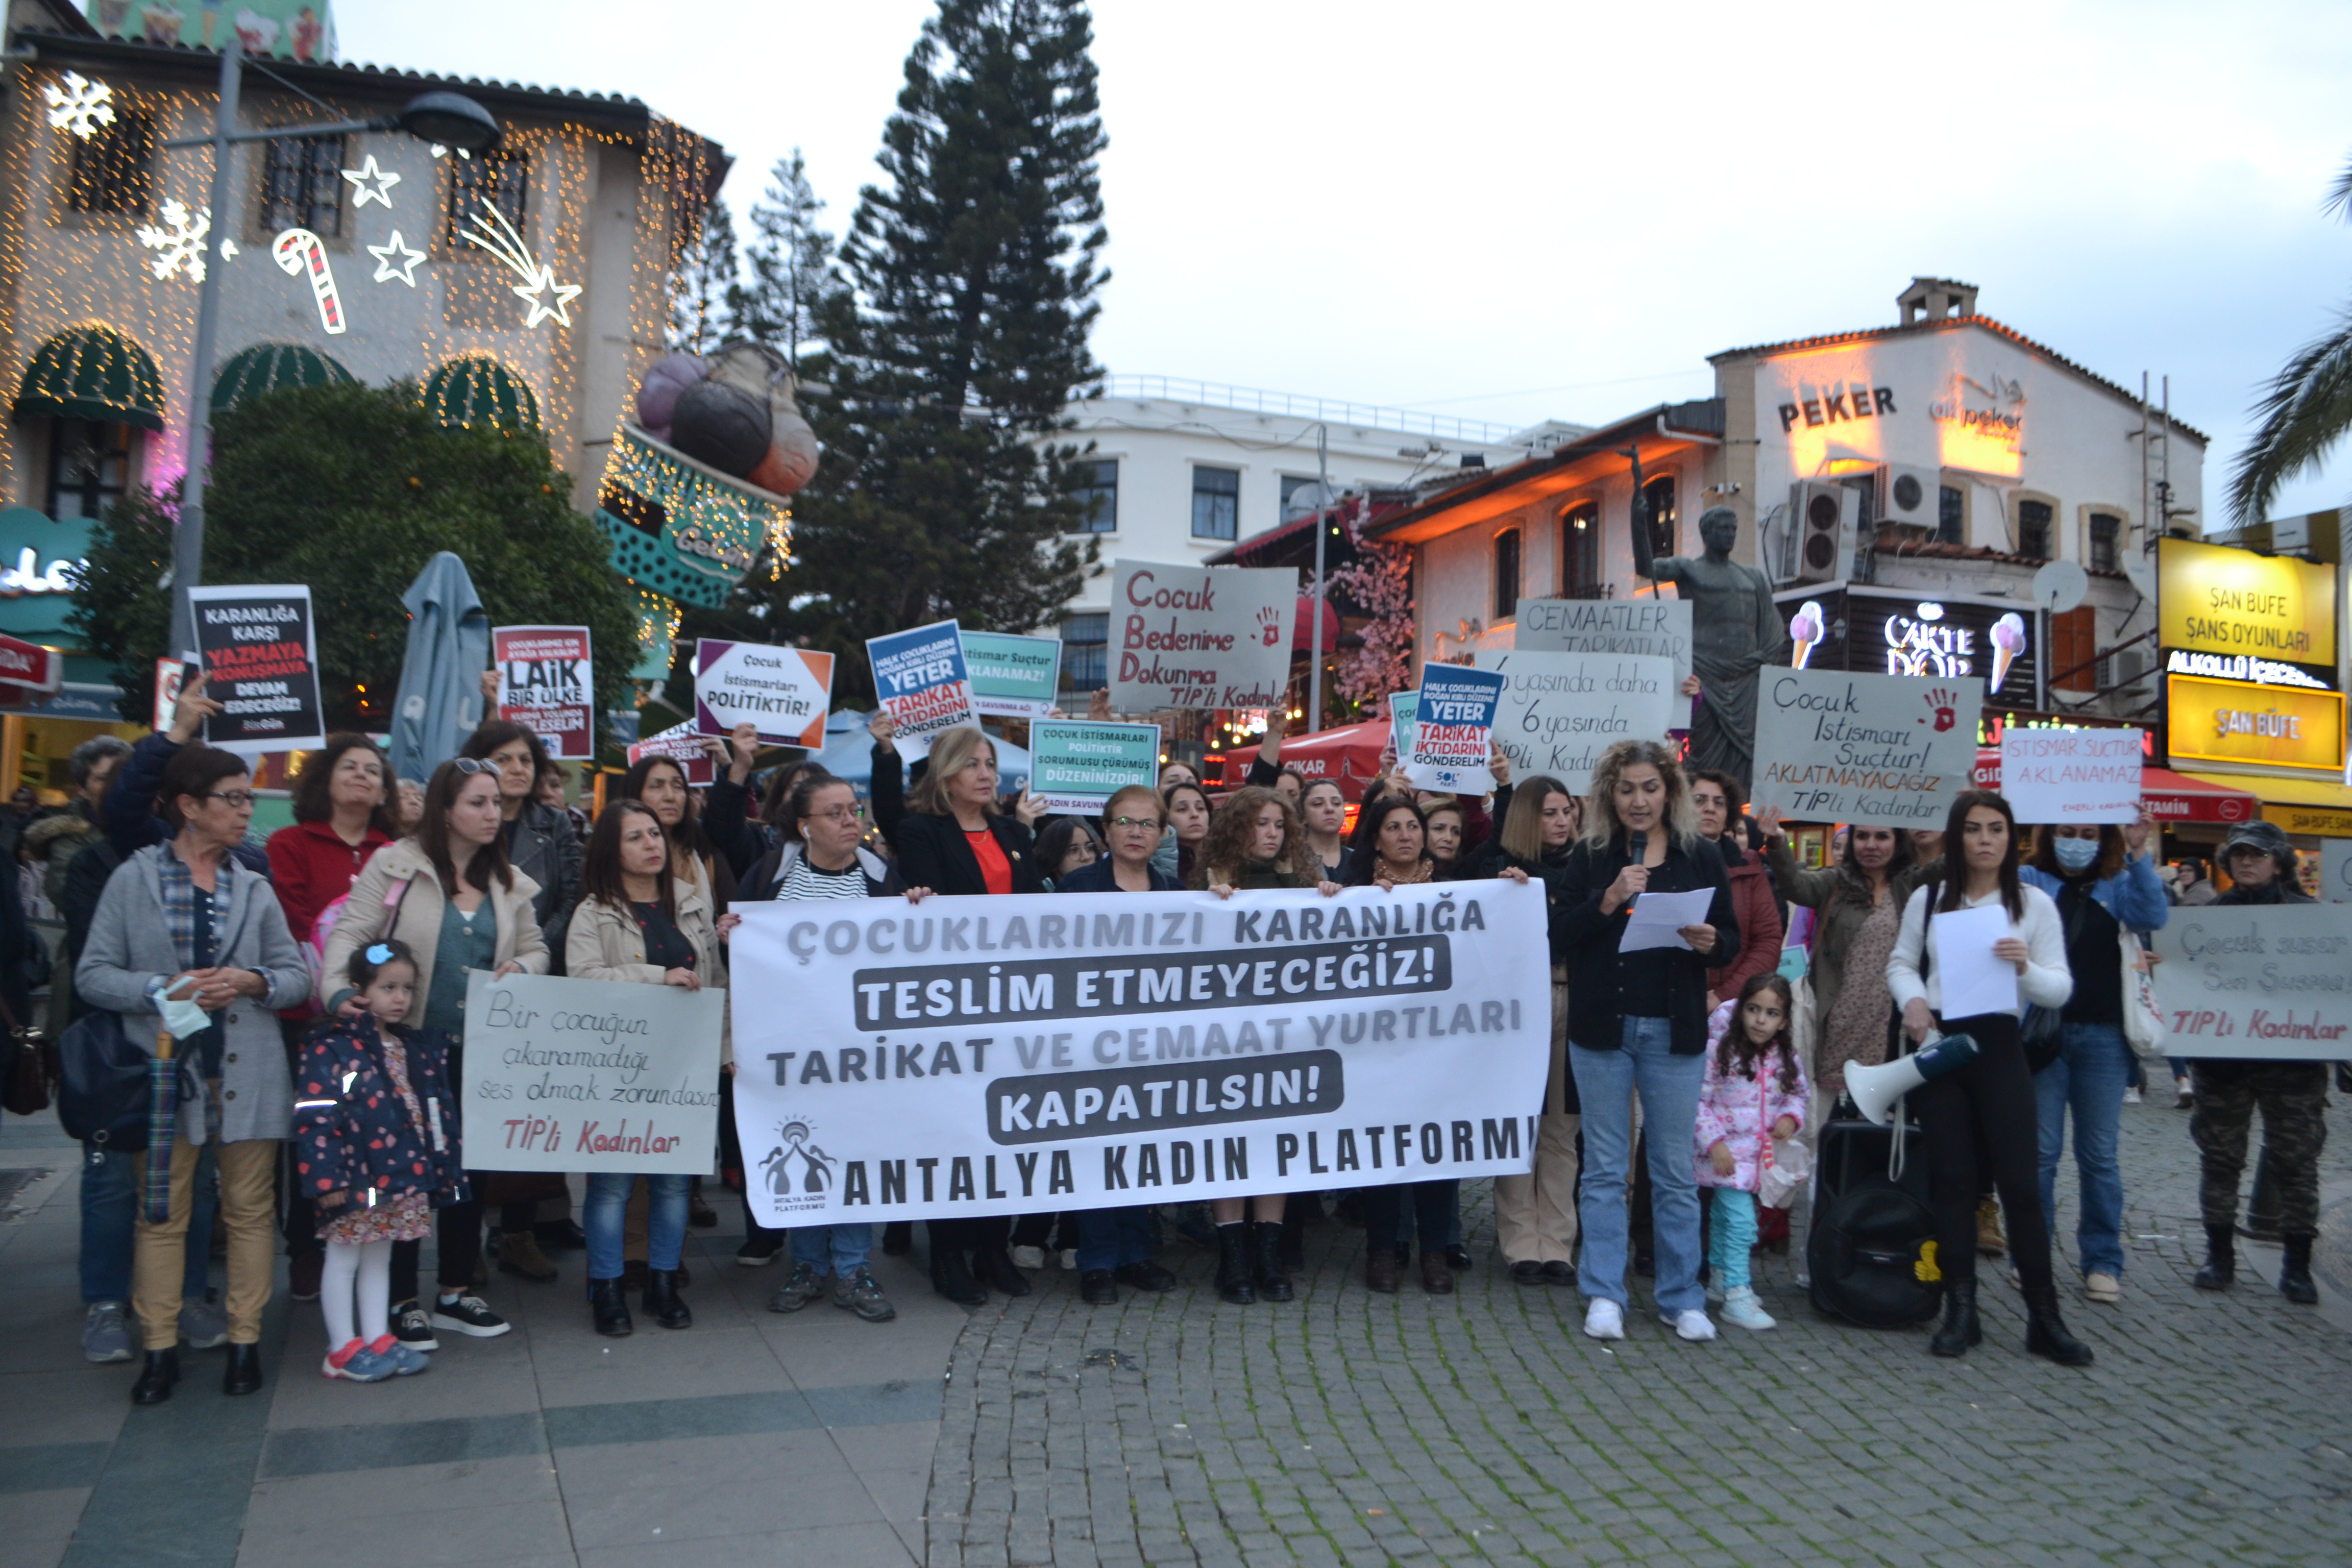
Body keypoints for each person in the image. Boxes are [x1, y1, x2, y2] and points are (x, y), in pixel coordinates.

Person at [78, 743, 312, 1405]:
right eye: (233, 799)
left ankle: (244, 1342)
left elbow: (297, 977)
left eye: (247, 798)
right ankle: (159, 1349)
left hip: (248, 1071)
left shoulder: (253, 884)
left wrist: (252, 981)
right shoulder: (134, 879)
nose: (247, 811)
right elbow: (93, 975)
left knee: (249, 1211)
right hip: (164, 1076)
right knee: (162, 1214)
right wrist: (164, 987)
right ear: (188, 806)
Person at [321, 757, 549, 1353]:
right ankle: (399, 1300)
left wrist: (523, 965)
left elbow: (537, 947)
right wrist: (348, 990)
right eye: (478, 802)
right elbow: (351, 936)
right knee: (402, 1171)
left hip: (480, 1051)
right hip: (406, 1048)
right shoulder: (396, 865)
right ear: (446, 809)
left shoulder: (507, 881)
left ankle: (453, 1289)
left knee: (465, 1172)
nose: (492, 813)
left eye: (496, 803)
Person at [1887, 789, 2092, 1365]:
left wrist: (2025, 966)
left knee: (2020, 1186)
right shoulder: (1929, 900)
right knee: (1952, 1183)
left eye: (1996, 829)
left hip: (2001, 1046)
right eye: (1974, 829)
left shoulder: (2033, 905)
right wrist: (1915, 1001)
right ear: (1958, 838)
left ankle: (2045, 1318)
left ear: (2011, 837)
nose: (1984, 839)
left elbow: (2060, 988)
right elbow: (1901, 964)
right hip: (1943, 1046)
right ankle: (1961, 1311)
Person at [1556, 739, 1737, 1343]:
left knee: (1672, 1172)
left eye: (1650, 788)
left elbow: (1732, 939)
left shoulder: (1701, 856)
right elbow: (1560, 936)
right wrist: (1608, 901)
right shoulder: (1591, 855)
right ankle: (1604, 1292)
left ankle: (1682, 1296)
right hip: (1603, 1028)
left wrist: (1713, 943)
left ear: (1670, 792)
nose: (1639, 800)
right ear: (1610, 793)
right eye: (1627, 789)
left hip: (1672, 1028)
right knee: (1605, 1170)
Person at [870, 722, 1046, 1304]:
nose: (987, 773)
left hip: (1012, 1003)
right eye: (973, 763)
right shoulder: (922, 831)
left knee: (1006, 1128)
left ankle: (993, 1248)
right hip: (954, 1005)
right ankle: (947, 1254)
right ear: (946, 774)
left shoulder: (1012, 833)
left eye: (990, 763)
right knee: (951, 1130)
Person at [736, 772, 920, 1316]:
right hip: (790, 1048)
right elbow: (742, 952)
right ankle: (808, 1264)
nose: (850, 821)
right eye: (835, 813)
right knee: (803, 1155)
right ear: (803, 826)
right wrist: (731, 934)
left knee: (853, 1152)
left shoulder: (882, 877)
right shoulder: (771, 875)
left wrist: (918, 913)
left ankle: (853, 1267)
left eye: (854, 809)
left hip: (860, 1050)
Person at [566, 800, 726, 1334]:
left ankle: (662, 1284)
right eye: (635, 837)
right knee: (612, 1186)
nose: (651, 844)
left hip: (684, 1066)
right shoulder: (595, 911)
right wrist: (657, 978)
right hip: (617, 1071)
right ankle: (607, 1288)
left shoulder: (692, 904)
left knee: (674, 1184)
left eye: (654, 833)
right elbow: (584, 980)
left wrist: (724, 1052)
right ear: (612, 849)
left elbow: (718, 986)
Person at [1193, 785, 1342, 1303]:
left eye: (1280, 825)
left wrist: (1326, 899)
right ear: (1239, 828)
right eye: (1261, 824)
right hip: (1226, 1038)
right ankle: (1233, 1256)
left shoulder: (1304, 882)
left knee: (1276, 1142)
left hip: (1284, 1037)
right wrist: (1209, 909)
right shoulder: (1209, 884)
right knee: (1230, 1143)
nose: (1272, 834)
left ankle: (1269, 1253)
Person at [266, 734, 397, 1305]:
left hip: (374, 1020)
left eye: (374, 770)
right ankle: (305, 1248)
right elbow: (294, 919)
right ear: (325, 778)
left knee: (370, 1134)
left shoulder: (394, 851)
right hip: (310, 1018)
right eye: (351, 767)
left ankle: (366, 1241)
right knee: (311, 1135)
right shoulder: (289, 843)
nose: (363, 776)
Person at [293, 940, 460, 1382]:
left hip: (397, 1177)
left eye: (406, 988)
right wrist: (326, 1179)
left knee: (378, 1258)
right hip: (353, 1176)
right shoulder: (335, 1048)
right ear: (358, 990)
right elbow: (319, 1115)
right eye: (388, 987)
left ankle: (376, 1338)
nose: (400, 998)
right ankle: (342, 1348)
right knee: (344, 1258)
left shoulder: (409, 1047)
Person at [2021, 812, 2167, 1307]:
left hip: (2104, 1038)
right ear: (2050, 834)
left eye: (2087, 835)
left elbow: (2152, 915)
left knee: (2099, 1156)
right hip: (2044, 1036)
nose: (2076, 843)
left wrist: (2140, 853)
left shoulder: (2118, 882)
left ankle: (2103, 1262)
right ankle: (2032, 1255)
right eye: (2067, 833)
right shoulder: (2030, 880)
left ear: (2102, 839)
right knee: (2041, 1154)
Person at [1050, 785, 1183, 1304]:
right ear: (1106, 830)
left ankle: (1136, 1255)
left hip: (1156, 1045)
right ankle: (1098, 1261)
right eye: (1125, 822)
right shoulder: (1077, 888)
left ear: (1162, 833)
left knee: (1142, 1149)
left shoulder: (1177, 892)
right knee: (1097, 1149)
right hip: (1092, 1042)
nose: (1136, 832)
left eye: (1147, 823)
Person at [2188, 820, 2327, 1306]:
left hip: (2293, 1064)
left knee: (2296, 1161)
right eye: (2240, 854)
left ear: (2279, 862)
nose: (2248, 861)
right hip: (2224, 1063)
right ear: (2228, 862)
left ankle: (2296, 1265)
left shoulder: (2311, 919)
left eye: (2259, 855)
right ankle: (2219, 1256)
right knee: (2220, 1158)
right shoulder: (2206, 919)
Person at [1341, 797, 1463, 1293]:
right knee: (1383, 1149)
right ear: (1376, 838)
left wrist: (1511, 893)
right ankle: (1383, 1249)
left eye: (1414, 826)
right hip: (1377, 1045)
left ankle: (1434, 1251)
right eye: (1394, 827)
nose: (1407, 835)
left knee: (1438, 1146)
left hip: (1437, 1041)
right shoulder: (1355, 894)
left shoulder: (1456, 893)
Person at [1467, 778, 1582, 1284]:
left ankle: (1557, 1242)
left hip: (1573, 999)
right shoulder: (1498, 869)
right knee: (1519, 1126)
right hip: (1519, 1007)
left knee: (1561, 1128)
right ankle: (1520, 1244)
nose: (1562, 822)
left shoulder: (1586, 866)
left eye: (1567, 811)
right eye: (1550, 813)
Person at [1756, 807, 1920, 1136]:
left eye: (1882, 836)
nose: (1871, 844)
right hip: (1835, 1021)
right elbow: (1795, 886)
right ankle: (1810, 1185)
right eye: (1862, 836)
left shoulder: (1910, 884)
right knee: (1815, 1126)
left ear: (1898, 842)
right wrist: (1777, 842)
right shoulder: (1835, 882)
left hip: (1889, 1026)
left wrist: (1959, 810)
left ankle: (1863, 1186)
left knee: (1877, 1129)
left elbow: (1951, 867)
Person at [1695, 973, 1808, 1332]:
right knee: (1743, 1223)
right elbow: (1699, 1101)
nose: (1761, 1020)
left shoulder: (1785, 1058)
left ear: (1784, 1020)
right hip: (1725, 1157)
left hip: (1757, 1159)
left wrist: (1792, 1117)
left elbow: (1797, 1094)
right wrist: (1714, 1143)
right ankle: (1737, 1294)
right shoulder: (1720, 1052)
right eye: (1754, 1009)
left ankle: (1719, 1275)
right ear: (1741, 1010)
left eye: (1771, 1013)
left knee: (1727, 1220)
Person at [1689, 771, 1782, 1008]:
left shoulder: (1749, 867)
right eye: (1699, 800)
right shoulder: (1662, 861)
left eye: (1719, 803)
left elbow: (1768, 941)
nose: (1710, 808)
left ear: (1729, 814)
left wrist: (1722, 996)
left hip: (1731, 1010)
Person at [1297, 778, 1351, 883]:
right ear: (1303, 815)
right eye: (1318, 804)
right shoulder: (1291, 863)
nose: (1330, 809)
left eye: (1336, 803)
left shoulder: (1361, 861)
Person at [1162, 782, 1212, 887]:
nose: (1195, 814)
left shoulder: (1225, 859)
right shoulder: (1160, 864)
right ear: (1166, 817)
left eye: (1200, 808)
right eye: (1182, 809)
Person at [1035, 817, 1101, 891]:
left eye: (1089, 848)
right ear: (1053, 859)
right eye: (1073, 850)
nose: (1086, 857)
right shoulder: (1039, 897)